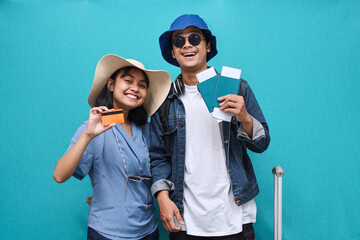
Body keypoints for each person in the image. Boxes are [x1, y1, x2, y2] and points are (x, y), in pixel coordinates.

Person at [149, 14, 270, 240]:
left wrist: (244, 116)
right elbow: (156, 155)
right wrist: (162, 197)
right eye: (178, 41)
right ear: (173, 52)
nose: (187, 44)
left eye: (194, 38)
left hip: (235, 217)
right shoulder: (164, 101)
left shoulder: (237, 88)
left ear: (208, 46)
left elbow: (262, 143)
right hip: (184, 221)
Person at [53, 54, 171, 240]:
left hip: (148, 230)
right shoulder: (92, 128)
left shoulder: (148, 130)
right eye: (128, 81)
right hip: (107, 232)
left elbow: (158, 170)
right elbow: (59, 175)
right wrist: (88, 135)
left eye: (142, 85)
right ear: (111, 85)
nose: (135, 88)